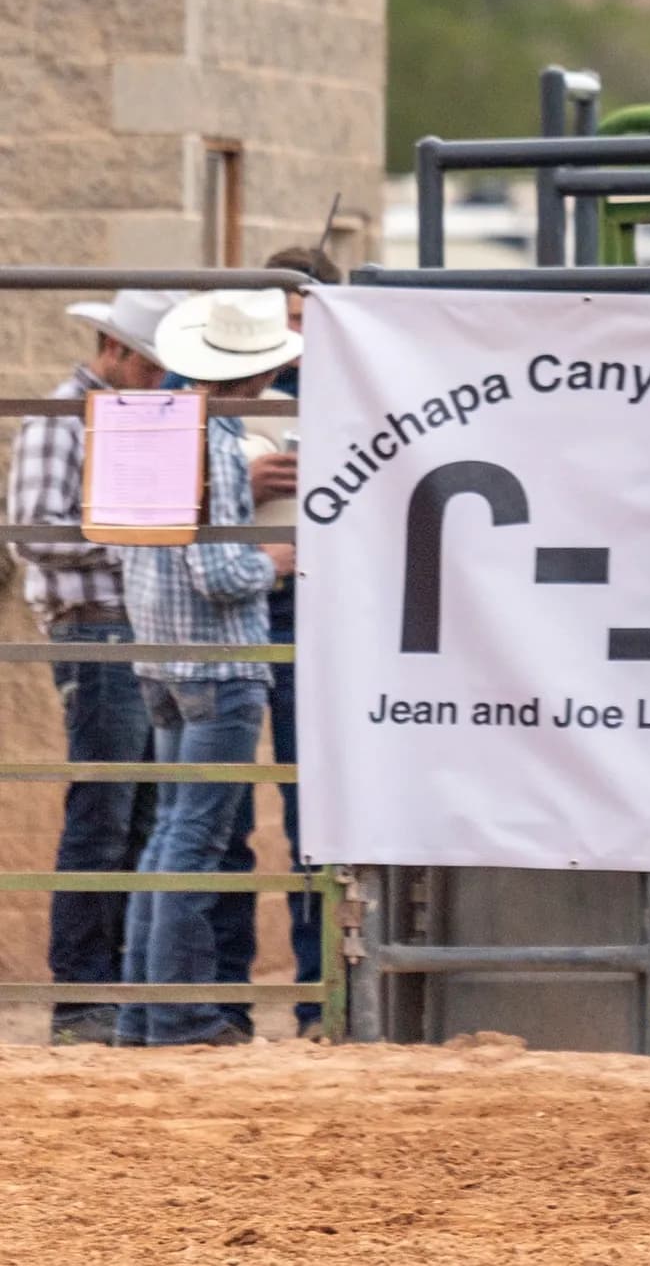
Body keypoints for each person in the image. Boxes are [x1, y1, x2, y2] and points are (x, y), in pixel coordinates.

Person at [114, 289, 299, 1047]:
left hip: (161, 655)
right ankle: (182, 1014)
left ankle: (141, 1012)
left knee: (170, 836)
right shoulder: (220, 445)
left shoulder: (155, 429)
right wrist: (278, 559)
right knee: (194, 839)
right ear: (254, 376)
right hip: (220, 662)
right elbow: (220, 573)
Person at [7, 290, 178, 1045]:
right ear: (115, 352)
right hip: (99, 625)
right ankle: (82, 996)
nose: (158, 376)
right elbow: (35, 533)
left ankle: (103, 989)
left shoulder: (119, 416)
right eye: (149, 362)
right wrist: (137, 537)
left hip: (124, 626)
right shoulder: (62, 416)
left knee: (130, 809)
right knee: (108, 808)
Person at [236, 245, 335, 1034]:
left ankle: (312, 998)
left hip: (316, 610)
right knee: (218, 806)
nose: (293, 336)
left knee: (312, 812)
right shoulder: (212, 384)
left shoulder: (354, 388)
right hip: (236, 610)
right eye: (283, 320)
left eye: (304, 319)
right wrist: (242, 485)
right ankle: (218, 999)